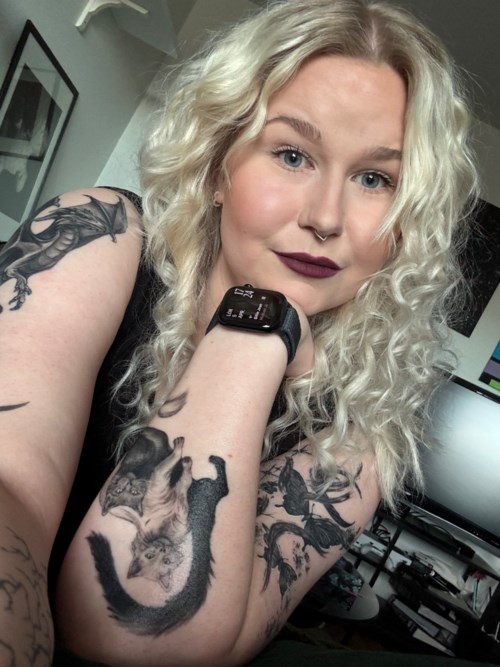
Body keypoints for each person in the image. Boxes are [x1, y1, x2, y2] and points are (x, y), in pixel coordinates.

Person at [0, 0, 479, 665]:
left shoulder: (357, 441)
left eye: (375, 179)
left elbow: (136, 632)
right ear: (218, 165)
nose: (326, 217)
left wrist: (254, 332)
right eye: (292, 154)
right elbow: (10, 490)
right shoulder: (100, 235)